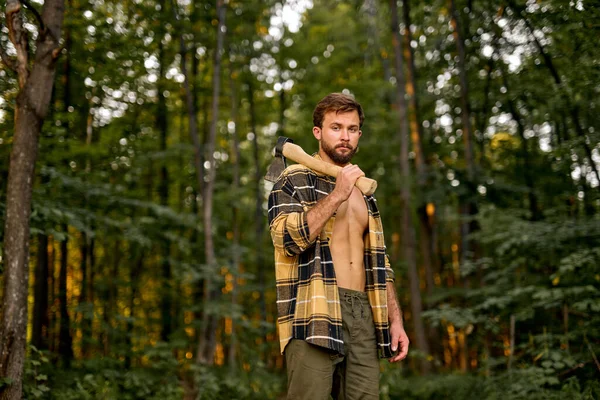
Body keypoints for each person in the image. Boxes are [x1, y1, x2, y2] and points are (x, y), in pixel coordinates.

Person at [268, 93, 409, 399]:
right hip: (313, 310)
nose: (345, 136)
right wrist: (337, 195)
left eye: (352, 128)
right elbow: (286, 240)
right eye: (336, 127)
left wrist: (395, 319)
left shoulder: (366, 195)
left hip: (364, 313)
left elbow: (380, 264)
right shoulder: (292, 179)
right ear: (317, 132)